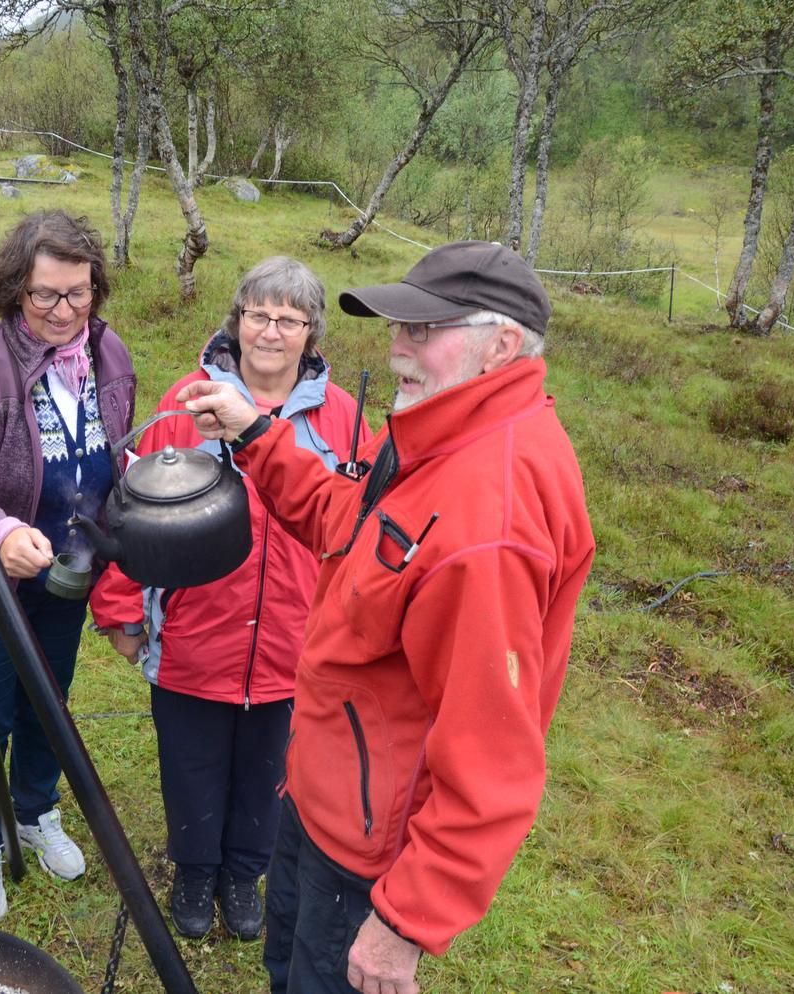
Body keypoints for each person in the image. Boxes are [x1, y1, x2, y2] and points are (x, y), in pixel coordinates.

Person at [177, 241, 595, 994]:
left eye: (424, 332)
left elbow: (492, 757)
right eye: (398, 326)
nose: (398, 347)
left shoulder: (488, 521)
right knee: (286, 970)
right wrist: (256, 433)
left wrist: (405, 923)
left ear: (500, 345)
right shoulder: (437, 432)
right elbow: (348, 517)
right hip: (320, 791)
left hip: (371, 852)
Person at [89, 257, 369, 942]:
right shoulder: (188, 402)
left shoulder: (345, 419)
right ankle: (194, 869)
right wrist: (120, 610)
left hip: (294, 644)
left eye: (289, 319)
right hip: (194, 637)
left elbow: (361, 533)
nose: (271, 331)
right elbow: (130, 512)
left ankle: (244, 875)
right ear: (236, 320)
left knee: (269, 772)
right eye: (258, 314)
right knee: (191, 763)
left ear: (311, 333)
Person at [0, 210, 136, 925]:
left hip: (65, 577)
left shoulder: (110, 355)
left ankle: (37, 812)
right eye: (46, 295)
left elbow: (114, 447)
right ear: (16, 291)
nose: (65, 311)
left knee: (50, 698)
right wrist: (1, 534)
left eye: (79, 293)